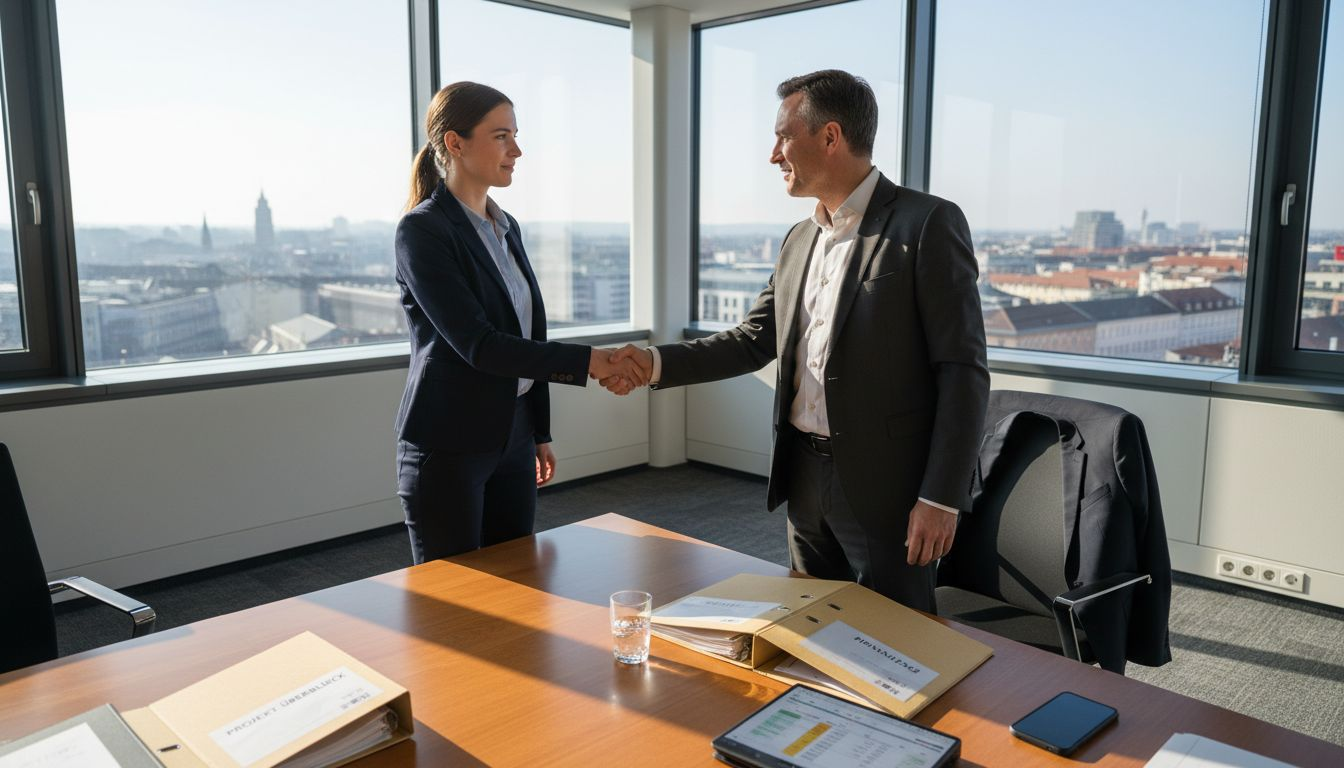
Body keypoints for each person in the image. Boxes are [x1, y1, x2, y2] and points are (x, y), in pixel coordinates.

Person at [608, 70, 988, 611]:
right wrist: (650, 363)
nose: (773, 154)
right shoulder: (798, 238)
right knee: (811, 626)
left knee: (901, 647)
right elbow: (751, 340)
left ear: (830, 137)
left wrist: (940, 497)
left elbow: (963, 370)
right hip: (804, 476)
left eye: (783, 136)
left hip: (889, 491)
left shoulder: (926, 225)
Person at [395, 81, 643, 563]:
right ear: (455, 143)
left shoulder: (506, 227)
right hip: (449, 442)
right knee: (455, 602)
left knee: (519, 580)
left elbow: (527, 334)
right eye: (502, 136)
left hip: (513, 434)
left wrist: (537, 431)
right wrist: (592, 361)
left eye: (515, 136)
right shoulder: (423, 230)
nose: (517, 150)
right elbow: (481, 345)